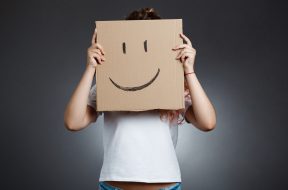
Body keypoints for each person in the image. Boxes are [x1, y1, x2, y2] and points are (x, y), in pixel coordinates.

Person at [64, 7, 216, 190]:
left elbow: (207, 123)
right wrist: (91, 68)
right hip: (114, 186)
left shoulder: (174, 87)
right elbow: (73, 122)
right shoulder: (109, 86)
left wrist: (189, 70)